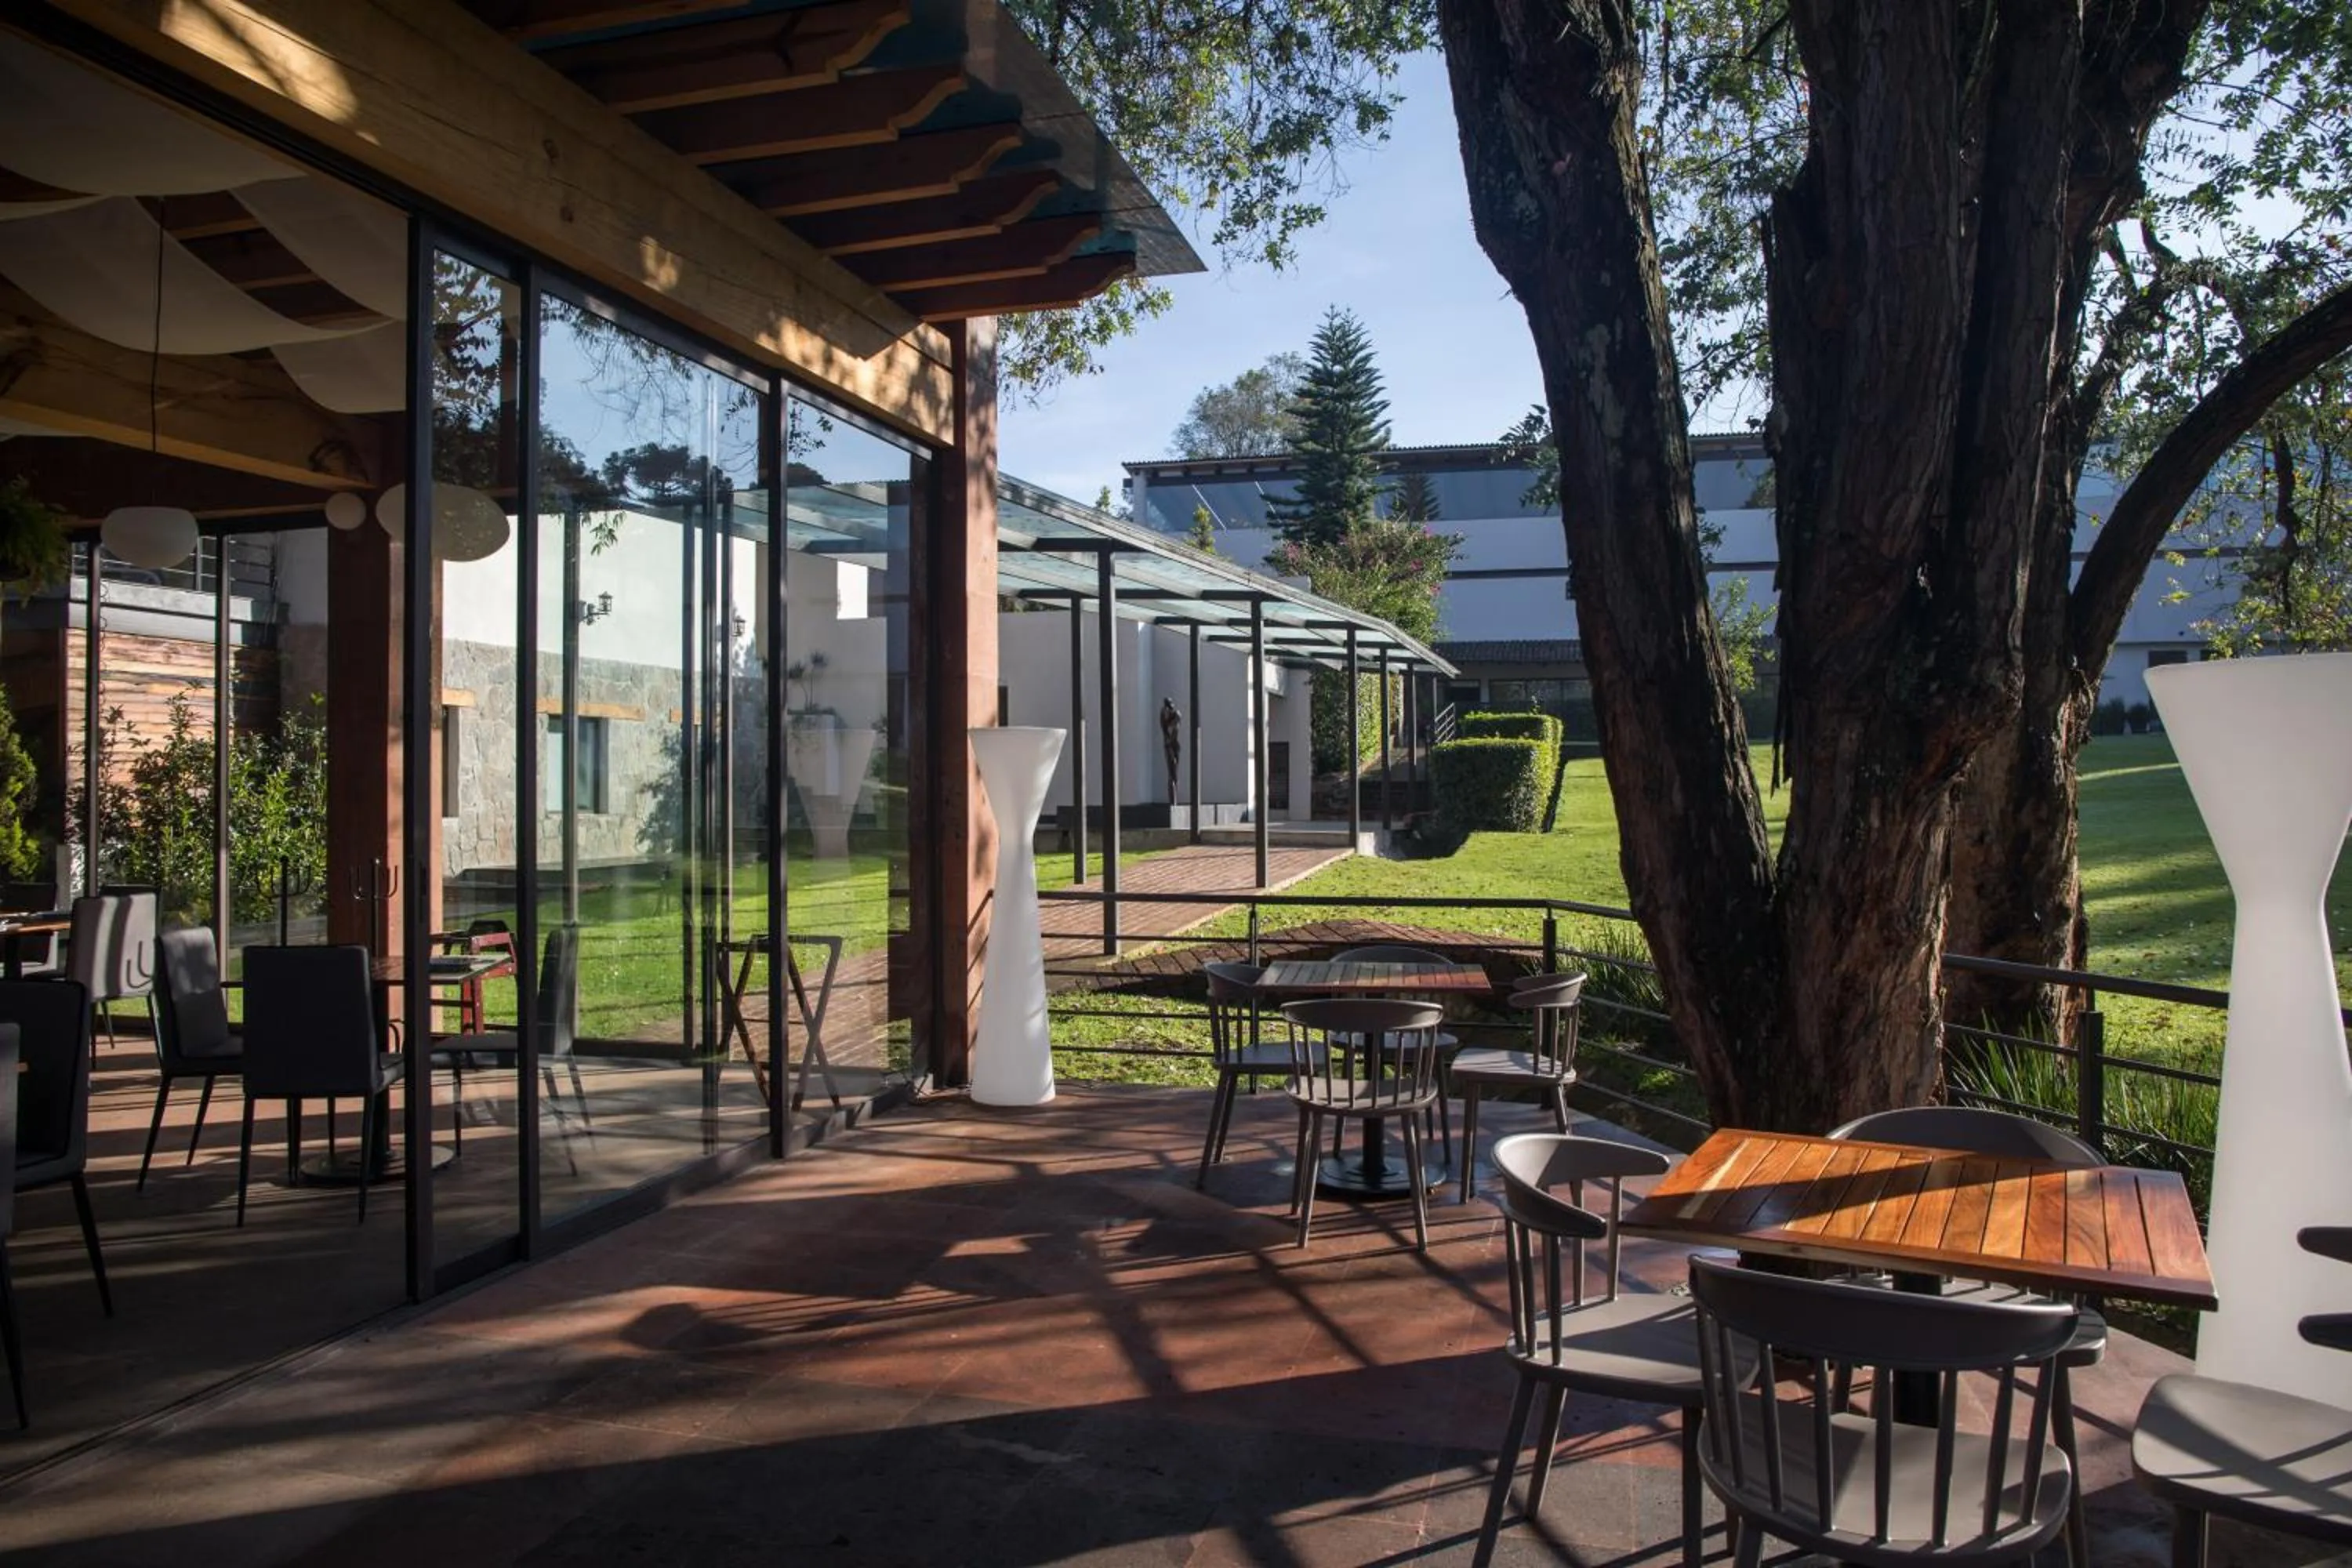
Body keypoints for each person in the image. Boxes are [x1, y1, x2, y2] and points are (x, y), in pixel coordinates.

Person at [1160, 697, 1182, 802]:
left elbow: (1177, 719)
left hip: (1174, 745)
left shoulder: (1176, 716)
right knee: (1172, 772)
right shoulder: (1165, 716)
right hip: (1169, 745)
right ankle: (1172, 800)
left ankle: (1174, 799)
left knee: (1175, 774)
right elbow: (1166, 727)